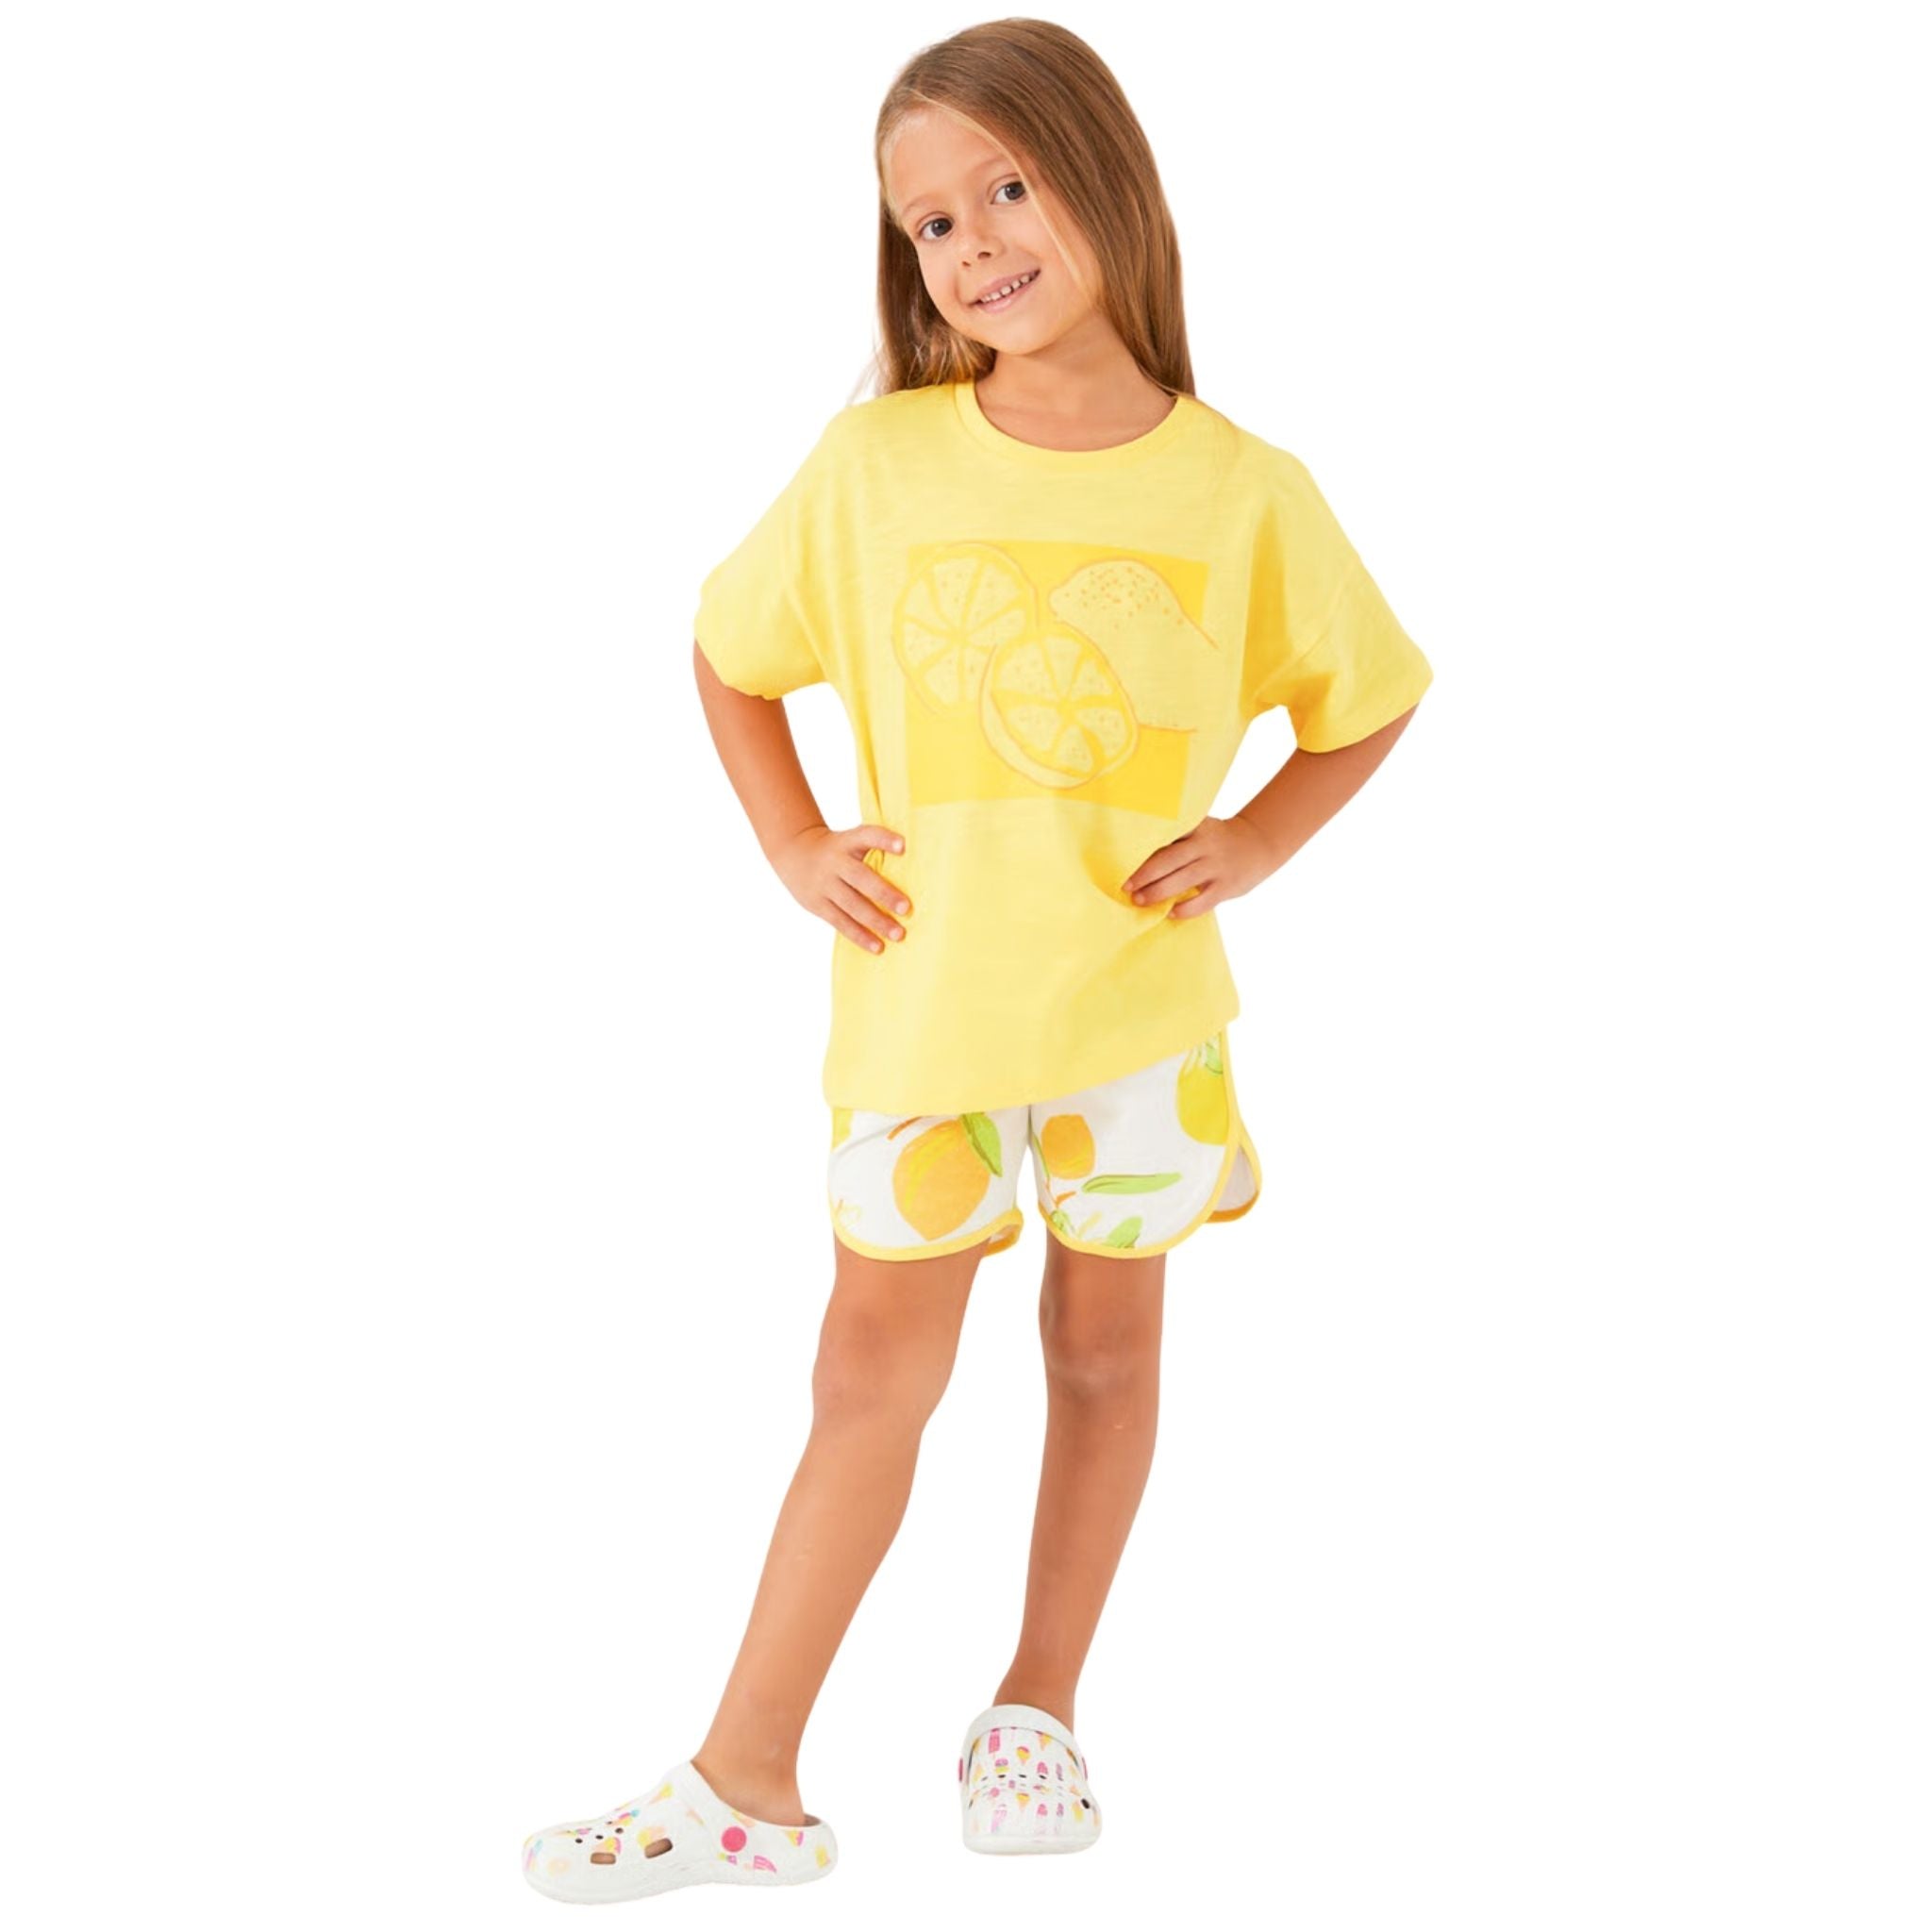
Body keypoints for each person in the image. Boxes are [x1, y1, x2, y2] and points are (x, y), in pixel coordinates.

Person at [523, 18, 1433, 1906]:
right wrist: (790, 841)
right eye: (930, 222)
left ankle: (1037, 1705)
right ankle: (746, 1776)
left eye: (1005, 187)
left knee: (1104, 1355)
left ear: (1106, 180)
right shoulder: (873, 465)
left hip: (1142, 1020)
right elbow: (730, 653)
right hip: (924, 1016)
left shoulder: (1244, 489)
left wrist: (1262, 837)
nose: (973, 242)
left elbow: (1370, 694)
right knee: (868, 1372)